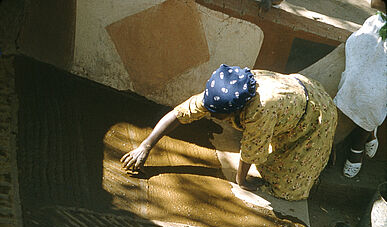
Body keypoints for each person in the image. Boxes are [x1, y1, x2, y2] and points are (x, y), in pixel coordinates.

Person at [121, 64, 337, 201]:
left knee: (286, 189)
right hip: (291, 102)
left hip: (316, 115)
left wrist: (241, 180)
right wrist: (145, 146)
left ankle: (317, 162)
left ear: (237, 110)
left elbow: (251, 150)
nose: (214, 118)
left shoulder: (259, 110)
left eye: (219, 116)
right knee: (270, 157)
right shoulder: (225, 90)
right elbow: (179, 113)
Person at [334, 0, 387, 178]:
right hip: (377, 29)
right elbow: (376, 4)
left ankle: (358, 145)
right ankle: (370, 132)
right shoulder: (376, 18)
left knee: (376, 95)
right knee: (354, 82)